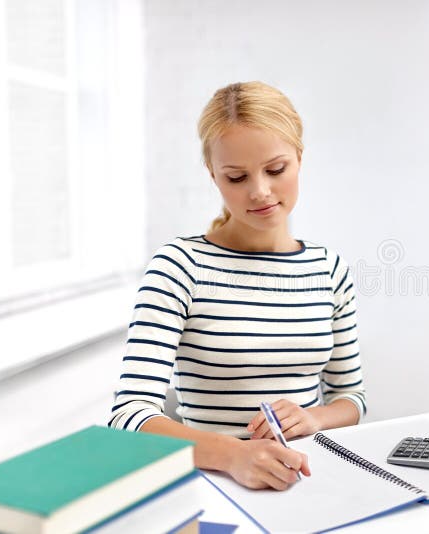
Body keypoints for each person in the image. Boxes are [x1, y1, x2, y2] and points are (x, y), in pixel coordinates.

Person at [108, 81, 366, 491]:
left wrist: (313, 417)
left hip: (309, 481)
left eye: (276, 169)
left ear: (299, 159)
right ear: (214, 176)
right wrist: (234, 455)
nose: (259, 190)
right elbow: (128, 416)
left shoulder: (329, 269)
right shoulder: (179, 266)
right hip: (218, 485)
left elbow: (352, 399)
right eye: (236, 177)